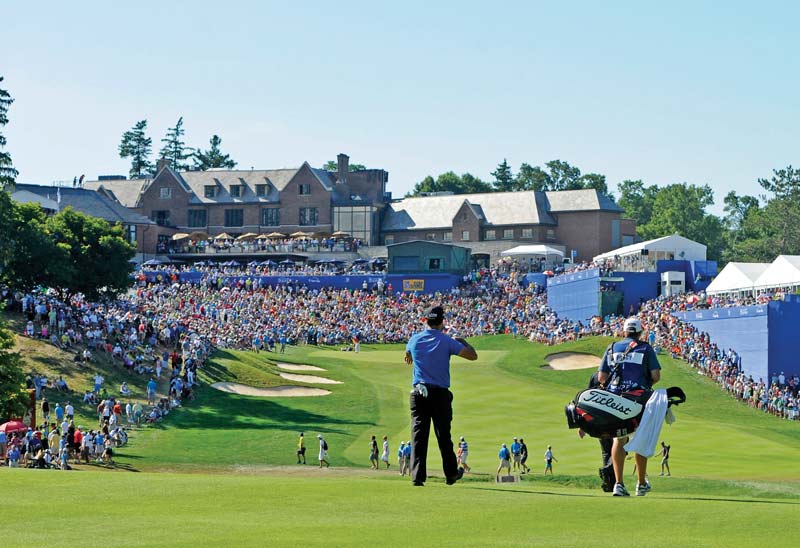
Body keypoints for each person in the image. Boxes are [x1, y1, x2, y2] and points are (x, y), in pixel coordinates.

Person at [405, 305, 477, 487]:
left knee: (418, 436)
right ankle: (451, 474)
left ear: (425, 320)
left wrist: (409, 356)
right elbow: (472, 356)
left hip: (418, 393)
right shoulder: (447, 341)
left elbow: (407, 354)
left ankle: (417, 477)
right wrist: (464, 342)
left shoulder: (414, 339)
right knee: (443, 435)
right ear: (442, 322)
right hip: (439, 394)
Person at [597, 316, 661, 497]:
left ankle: (619, 484)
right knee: (640, 436)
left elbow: (602, 377)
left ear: (624, 331)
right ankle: (641, 483)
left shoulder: (611, 348)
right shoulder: (646, 348)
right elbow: (656, 376)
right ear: (640, 332)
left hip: (615, 400)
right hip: (638, 398)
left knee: (619, 438)